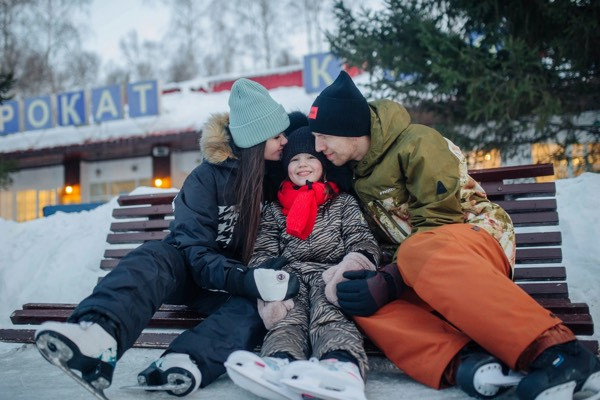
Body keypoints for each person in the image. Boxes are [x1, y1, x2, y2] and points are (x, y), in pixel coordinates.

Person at [307, 71, 600, 400]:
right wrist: (376, 282)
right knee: (355, 299)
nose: (318, 147)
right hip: (422, 270)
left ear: (349, 128)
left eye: (323, 136)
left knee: (417, 250)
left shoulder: (418, 143)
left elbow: (440, 221)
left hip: (474, 241)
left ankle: (559, 353)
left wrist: (391, 279)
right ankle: (467, 362)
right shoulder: (356, 170)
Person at [33, 78, 304, 398]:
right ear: (256, 140)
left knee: (258, 305)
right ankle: (99, 335)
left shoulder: (278, 177)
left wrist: (254, 280)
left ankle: (186, 360)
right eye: (276, 135)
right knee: (154, 255)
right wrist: (244, 277)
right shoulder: (206, 179)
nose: (285, 141)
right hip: (195, 273)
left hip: (241, 286)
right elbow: (194, 251)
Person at [225, 126, 381, 400]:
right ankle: (280, 361)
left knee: (330, 314)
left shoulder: (342, 203)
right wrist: (270, 280)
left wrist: (351, 266)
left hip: (329, 275)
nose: (302, 165)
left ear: (323, 163)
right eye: (294, 160)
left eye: (310, 158)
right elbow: (263, 249)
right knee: (287, 319)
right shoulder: (275, 210)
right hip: (290, 279)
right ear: (286, 167)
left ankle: (341, 364)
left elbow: (360, 239)